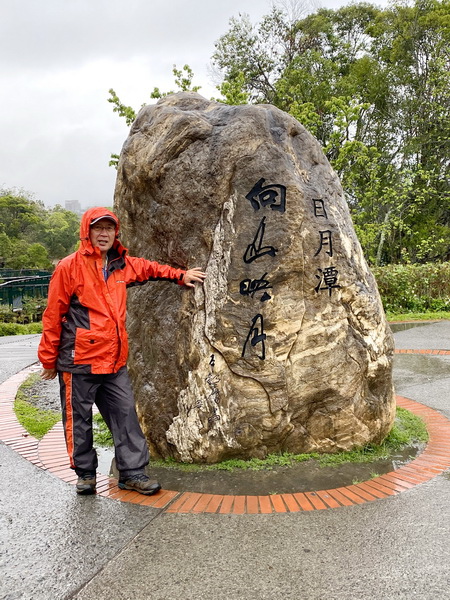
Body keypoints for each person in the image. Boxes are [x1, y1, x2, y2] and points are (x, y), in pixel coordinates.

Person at [38, 207, 206, 495]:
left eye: (109, 229)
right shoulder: (69, 267)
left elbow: (150, 268)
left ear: (116, 233)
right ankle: (86, 474)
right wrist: (48, 359)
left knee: (125, 415)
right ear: (86, 231)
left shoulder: (120, 264)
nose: (103, 234)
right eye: (97, 228)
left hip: (114, 361)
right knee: (78, 420)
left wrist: (181, 275)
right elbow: (53, 315)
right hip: (78, 361)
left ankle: (132, 473)